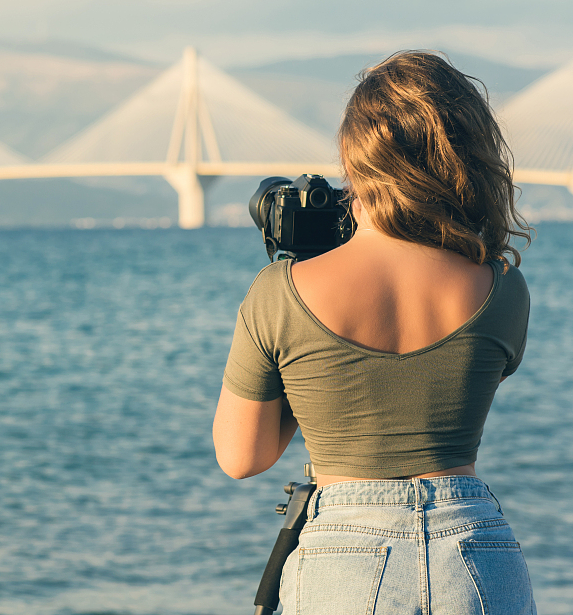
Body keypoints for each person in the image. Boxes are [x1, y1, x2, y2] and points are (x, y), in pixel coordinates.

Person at [212, 51, 536, 614]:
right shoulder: (503, 289)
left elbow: (243, 455)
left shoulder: (281, 292)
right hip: (480, 556)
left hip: (345, 559)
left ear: (357, 161)